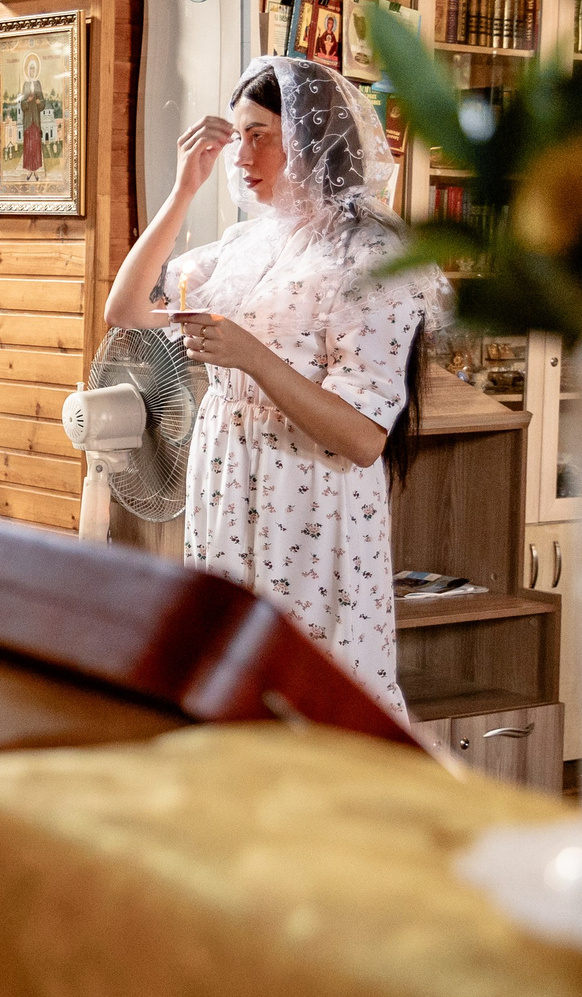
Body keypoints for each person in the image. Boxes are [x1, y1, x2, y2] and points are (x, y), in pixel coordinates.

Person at [100, 57, 441, 715]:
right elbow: (128, 308)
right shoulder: (246, 244)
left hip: (309, 499)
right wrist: (182, 191)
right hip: (227, 484)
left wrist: (251, 356)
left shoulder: (372, 255)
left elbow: (364, 438)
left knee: (310, 696)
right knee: (229, 688)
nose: (241, 155)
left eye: (259, 134)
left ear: (311, 136)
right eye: (238, 136)